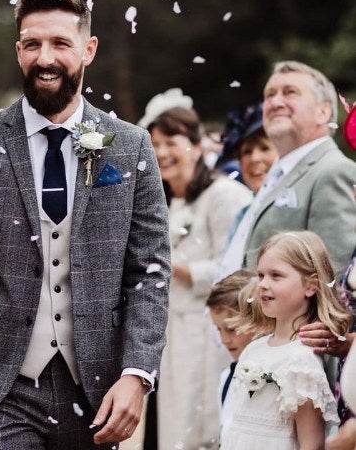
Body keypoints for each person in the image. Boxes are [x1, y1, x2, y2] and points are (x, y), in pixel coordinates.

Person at [0, 0, 171, 450]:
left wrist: (137, 375)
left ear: (88, 50)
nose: (45, 58)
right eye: (32, 44)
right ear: (18, 51)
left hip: (95, 388)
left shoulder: (131, 145)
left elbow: (149, 274)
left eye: (60, 44)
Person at [147, 107, 253, 449]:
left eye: (171, 142)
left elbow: (235, 270)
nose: (162, 153)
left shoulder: (224, 195)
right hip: (171, 335)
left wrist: (173, 264)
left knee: (204, 428)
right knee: (175, 430)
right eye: (155, 144)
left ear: (194, 144)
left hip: (209, 332)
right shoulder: (164, 202)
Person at [220, 61, 356, 278]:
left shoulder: (334, 171)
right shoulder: (277, 173)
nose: (275, 102)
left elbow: (331, 278)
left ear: (323, 111)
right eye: (270, 95)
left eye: (290, 93)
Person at [222, 231, 352, 449]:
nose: (263, 283)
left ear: (311, 286)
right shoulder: (253, 349)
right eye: (261, 275)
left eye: (276, 275)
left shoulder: (301, 360)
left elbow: (312, 445)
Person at [206, 270, 257, 446]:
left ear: (258, 320)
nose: (224, 340)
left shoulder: (278, 375)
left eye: (232, 329)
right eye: (219, 329)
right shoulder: (227, 376)